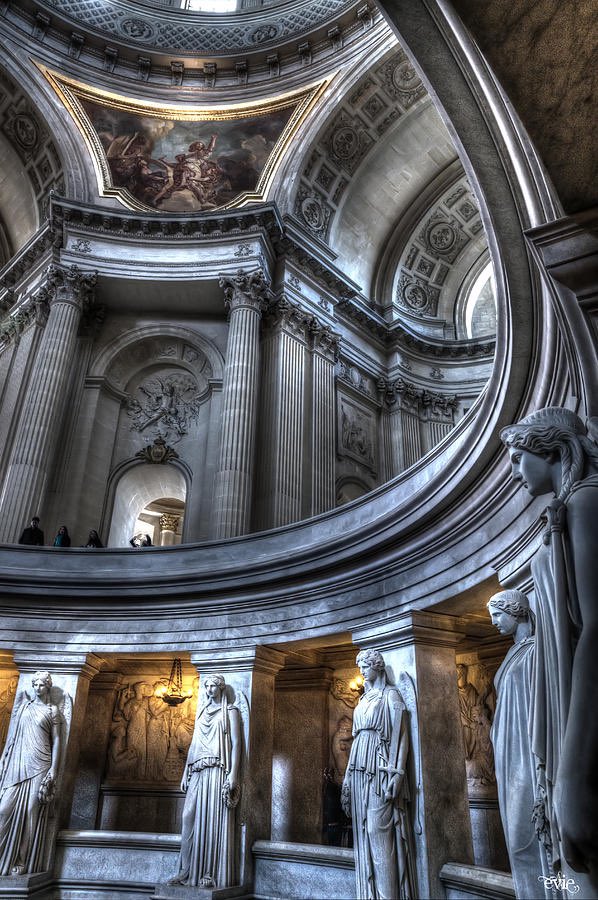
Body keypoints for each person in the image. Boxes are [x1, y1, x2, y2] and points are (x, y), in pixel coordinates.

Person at [501, 407, 598, 885]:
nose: (515, 473)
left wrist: (575, 774)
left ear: (553, 450)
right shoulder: (571, 504)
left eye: (519, 459)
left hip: (582, 726)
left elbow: (596, 630)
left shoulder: (586, 501)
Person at [487, 590, 551, 899]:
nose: (493, 622)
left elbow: (545, 707)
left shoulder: (537, 651)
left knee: (528, 832)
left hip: (527, 748)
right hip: (507, 752)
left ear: (517, 611)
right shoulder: (514, 653)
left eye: (497, 614)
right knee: (515, 834)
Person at [341, 649, 416, 899]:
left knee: (377, 830)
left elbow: (402, 735)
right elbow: (356, 739)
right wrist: (347, 777)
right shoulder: (363, 699)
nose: (362, 671)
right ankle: (370, 894)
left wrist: (398, 773)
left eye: (365, 666)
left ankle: (389, 895)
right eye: (360, 667)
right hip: (359, 767)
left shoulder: (390, 695)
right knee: (363, 832)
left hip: (380, 767)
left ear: (377, 666)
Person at [169, 674, 241, 888]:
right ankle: (186, 870)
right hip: (198, 769)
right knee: (188, 816)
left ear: (221, 688)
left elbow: (237, 744)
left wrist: (233, 774)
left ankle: (208, 872)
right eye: (207, 685)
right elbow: (194, 744)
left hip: (218, 769)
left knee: (211, 819)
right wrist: (186, 771)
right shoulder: (202, 711)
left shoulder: (230, 711)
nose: (209, 689)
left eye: (213, 686)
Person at [0, 671, 64, 875]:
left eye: (41, 685)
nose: (37, 688)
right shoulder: (24, 707)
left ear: (48, 686)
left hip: (41, 763)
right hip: (17, 762)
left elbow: (57, 740)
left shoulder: (52, 710)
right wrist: (4, 759)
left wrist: (54, 769)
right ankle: (3, 856)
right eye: (35, 684)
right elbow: (12, 735)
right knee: (3, 809)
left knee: (30, 811)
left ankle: (21, 860)